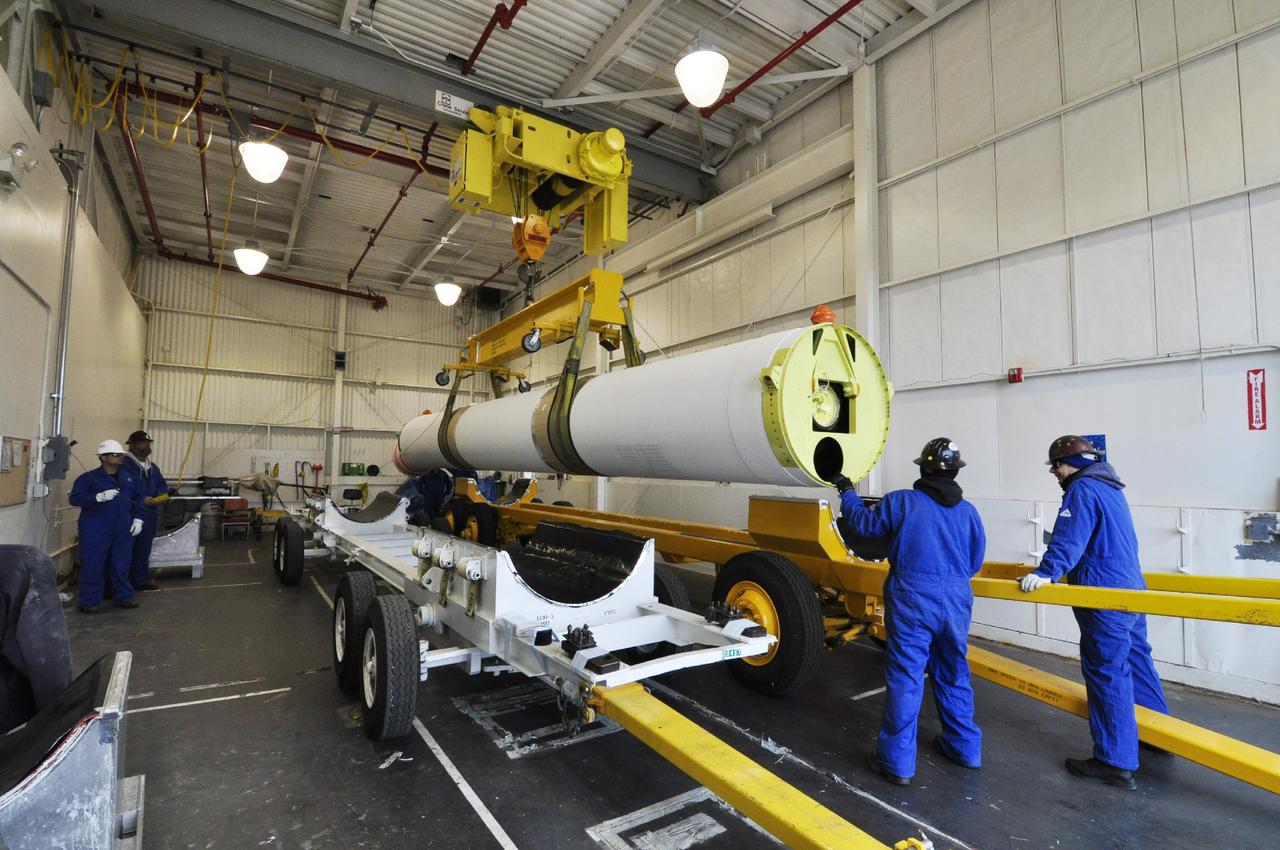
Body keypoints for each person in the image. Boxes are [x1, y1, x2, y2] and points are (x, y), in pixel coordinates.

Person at [1017, 435, 1169, 790]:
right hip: (1130, 587)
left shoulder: (1082, 490)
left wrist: (1045, 572)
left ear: (1077, 463)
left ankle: (1114, 760)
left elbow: (1071, 537)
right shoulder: (1111, 487)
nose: (1055, 472)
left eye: (1057, 465)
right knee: (1136, 657)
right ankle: (1156, 733)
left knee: (1106, 671)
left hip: (1103, 595)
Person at [833, 438, 986, 786]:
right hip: (957, 598)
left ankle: (897, 762)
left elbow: (864, 527)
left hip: (914, 597)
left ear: (925, 469)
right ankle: (965, 748)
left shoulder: (904, 501)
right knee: (954, 671)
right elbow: (975, 562)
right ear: (954, 471)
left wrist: (847, 491)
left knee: (907, 675)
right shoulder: (969, 512)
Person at [68, 440, 143, 613]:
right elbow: (75, 498)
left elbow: (139, 499)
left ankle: (123, 596)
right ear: (103, 457)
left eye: (120, 455)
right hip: (95, 527)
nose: (119, 458)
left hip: (122, 527)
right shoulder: (88, 478)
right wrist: (97, 497)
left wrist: (138, 519)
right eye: (115, 455)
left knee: (121, 563)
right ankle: (89, 600)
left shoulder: (129, 478)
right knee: (93, 563)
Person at [122, 430, 168, 592]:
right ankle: (121, 583)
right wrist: (141, 500)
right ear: (132, 446)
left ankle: (140, 580)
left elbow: (161, 484)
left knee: (144, 547)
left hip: (150, 512)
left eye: (148, 443)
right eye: (142, 443)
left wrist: (162, 494)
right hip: (130, 512)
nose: (146, 446)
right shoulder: (124, 465)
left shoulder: (152, 467)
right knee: (126, 548)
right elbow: (124, 490)